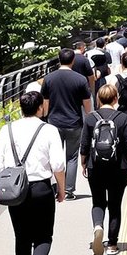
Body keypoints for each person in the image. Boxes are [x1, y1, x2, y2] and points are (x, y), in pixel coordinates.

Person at [0, 91, 66, 255]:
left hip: (15, 190)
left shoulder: (7, 130)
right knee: (43, 236)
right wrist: (62, 188)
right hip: (41, 188)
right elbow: (58, 164)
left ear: (21, 108)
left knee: (21, 236)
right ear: (40, 107)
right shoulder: (49, 130)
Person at [79, 84, 127, 255]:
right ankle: (112, 244)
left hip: (95, 166)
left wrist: (84, 163)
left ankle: (98, 226)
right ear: (115, 98)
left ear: (98, 98)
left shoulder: (90, 118)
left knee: (98, 202)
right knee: (115, 204)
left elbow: (84, 145)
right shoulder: (123, 118)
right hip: (118, 167)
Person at [42, 48, 92, 200]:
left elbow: (45, 102)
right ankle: (69, 190)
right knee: (72, 157)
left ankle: (56, 187)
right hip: (74, 122)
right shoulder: (80, 79)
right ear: (73, 61)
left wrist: (45, 118)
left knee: (54, 156)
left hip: (54, 122)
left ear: (59, 59)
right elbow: (87, 105)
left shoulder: (49, 78)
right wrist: (89, 119)